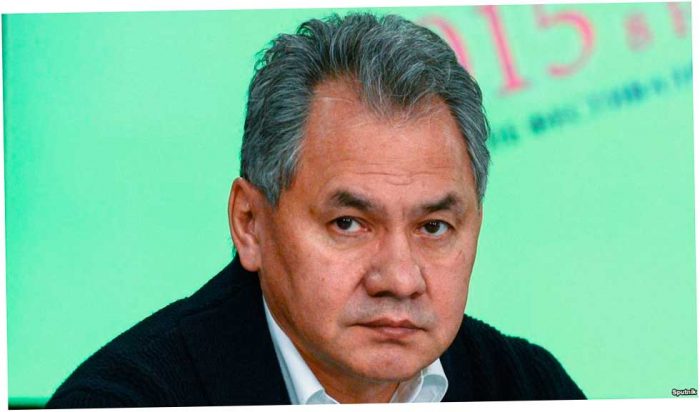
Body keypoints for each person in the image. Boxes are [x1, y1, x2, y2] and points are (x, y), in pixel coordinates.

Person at [47, 13, 585, 407]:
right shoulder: (124, 398)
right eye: (349, 224)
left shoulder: (531, 388)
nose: (400, 279)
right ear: (250, 224)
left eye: (434, 227)